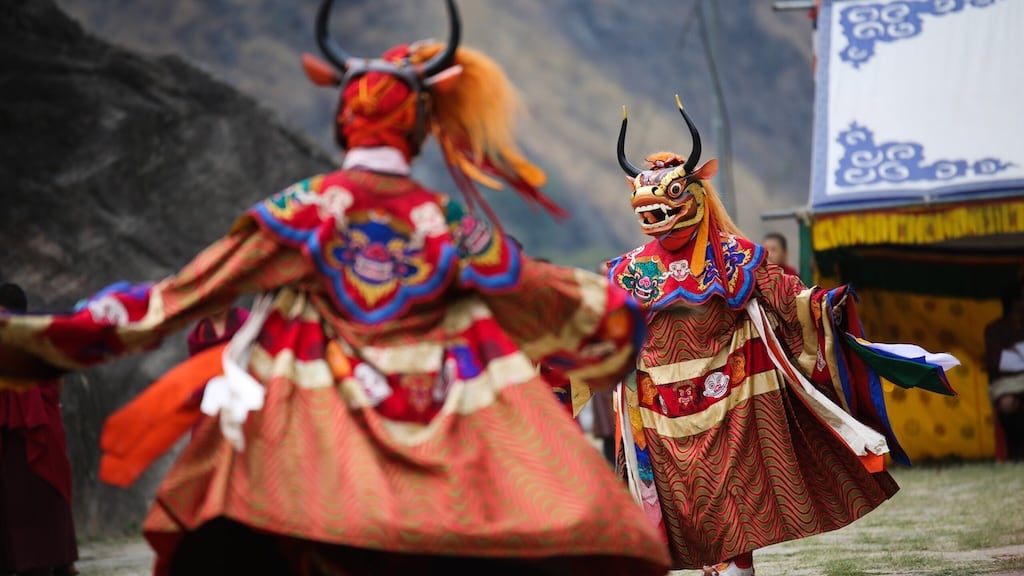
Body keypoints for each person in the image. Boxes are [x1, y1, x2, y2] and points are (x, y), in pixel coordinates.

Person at [0, 2, 670, 575]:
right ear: (418, 127)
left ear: (343, 118)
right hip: (440, 454)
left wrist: (44, 340)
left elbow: (180, 296)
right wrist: (616, 318)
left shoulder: (301, 213)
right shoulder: (445, 222)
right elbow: (544, 296)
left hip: (312, 458)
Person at [603, 96, 957, 575]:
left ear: (694, 197)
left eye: (669, 202)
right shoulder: (628, 271)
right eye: (648, 208)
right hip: (659, 409)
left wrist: (821, 306)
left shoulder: (733, 255)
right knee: (687, 501)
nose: (657, 214)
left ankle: (736, 568)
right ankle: (716, 566)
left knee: (737, 493)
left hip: (734, 394)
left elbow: (784, 294)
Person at [0, 283, 78, 576]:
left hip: (27, 432)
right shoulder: (41, 336)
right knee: (43, 494)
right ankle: (60, 558)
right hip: (36, 431)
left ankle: (52, 560)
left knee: (31, 497)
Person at [984, 279, 1024, 461]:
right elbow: (997, 361)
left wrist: (1016, 352)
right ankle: (1016, 452)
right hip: (1006, 382)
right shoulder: (995, 329)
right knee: (1008, 403)